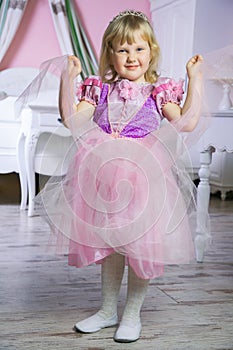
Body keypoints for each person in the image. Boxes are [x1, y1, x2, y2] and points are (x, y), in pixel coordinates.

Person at [40, 10, 204, 343]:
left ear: (151, 52)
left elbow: (185, 124)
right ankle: (106, 310)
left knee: (139, 245)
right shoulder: (98, 88)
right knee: (111, 243)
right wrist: (66, 79)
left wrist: (195, 79)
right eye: (122, 49)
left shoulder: (160, 91)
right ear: (110, 53)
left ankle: (131, 315)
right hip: (102, 175)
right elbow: (72, 120)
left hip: (144, 175)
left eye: (139, 49)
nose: (131, 57)